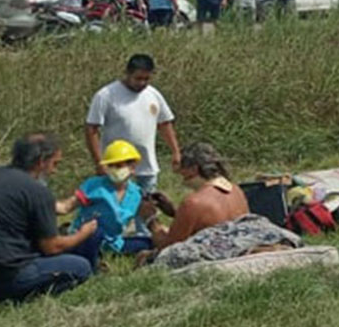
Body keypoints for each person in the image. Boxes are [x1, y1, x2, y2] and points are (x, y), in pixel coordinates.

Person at [0, 133, 96, 303]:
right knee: (81, 267)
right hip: (6, 276)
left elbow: (29, 204)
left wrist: (68, 205)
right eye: (54, 164)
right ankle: (18, 298)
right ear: (42, 162)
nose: (54, 171)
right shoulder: (37, 191)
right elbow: (52, 247)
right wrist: (83, 233)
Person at [85, 54, 181, 236]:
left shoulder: (153, 94)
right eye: (138, 78)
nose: (142, 83)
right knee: (114, 205)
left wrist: (175, 152)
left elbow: (165, 123)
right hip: (117, 165)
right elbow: (91, 129)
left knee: (147, 206)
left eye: (146, 78)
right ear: (127, 73)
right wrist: (99, 162)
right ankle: (111, 239)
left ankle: (144, 239)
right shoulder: (106, 95)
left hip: (146, 163)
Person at [56, 140, 152, 270]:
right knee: (96, 231)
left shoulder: (136, 194)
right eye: (111, 166)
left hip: (114, 242)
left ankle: (112, 257)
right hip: (86, 238)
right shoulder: (94, 186)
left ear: (132, 167)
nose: (115, 170)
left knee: (148, 242)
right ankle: (91, 266)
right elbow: (66, 207)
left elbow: (149, 218)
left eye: (119, 165)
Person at [138, 142, 249, 251]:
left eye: (181, 168)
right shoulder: (236, 191)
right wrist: (175, 213)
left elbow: (168, 249)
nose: (179, 173)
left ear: (194, 169)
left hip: (212, 257)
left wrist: (151, 220)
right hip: (237, 252)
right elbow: (213, 222)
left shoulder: (193, 203)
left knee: (143, 255)